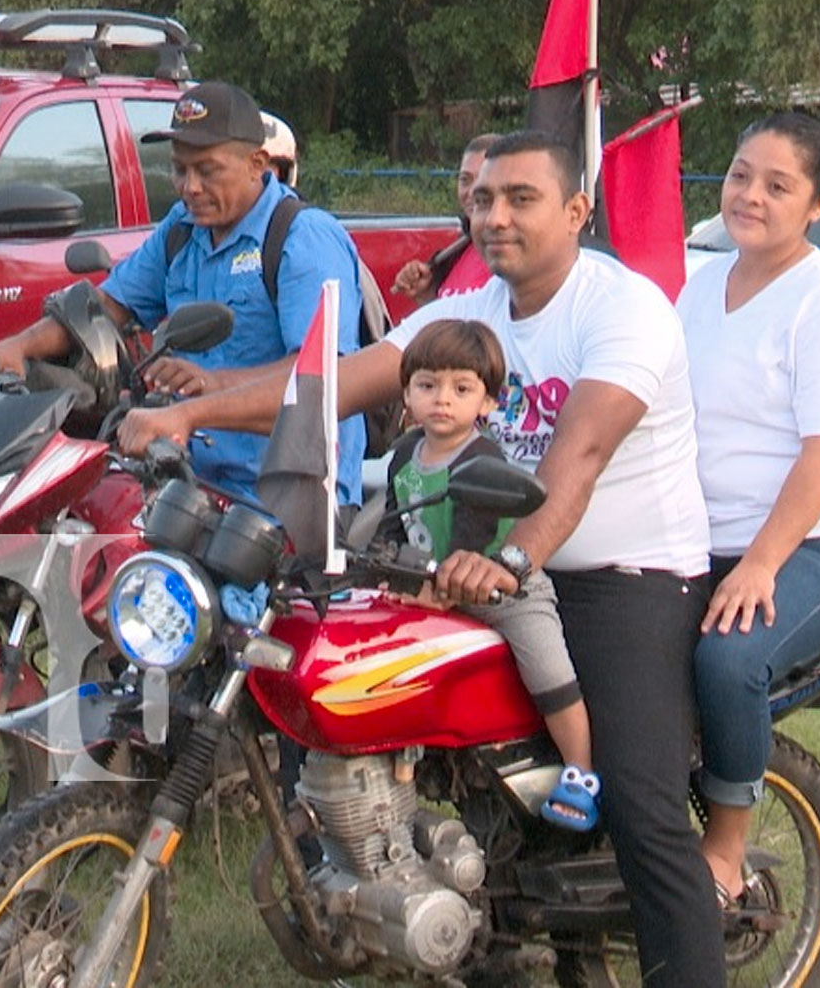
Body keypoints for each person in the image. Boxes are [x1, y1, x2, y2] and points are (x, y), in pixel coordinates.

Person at [119, 129, 727, 984]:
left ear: (577, 212)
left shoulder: (622, 309)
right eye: (483, 200)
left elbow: (578, 459)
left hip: (620, 578)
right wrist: (192, 415)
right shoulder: (468, 313)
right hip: (473, 567)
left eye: (522, 199)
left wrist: (511, 559)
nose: (495, 216)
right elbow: (332, 381)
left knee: (642, 804)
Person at [0, 81, 366, 506]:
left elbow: (322, 379)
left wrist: (211, 385)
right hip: (187, 480)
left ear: (256, 163)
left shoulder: (304, 239)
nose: (189, 187)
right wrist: (15, 348)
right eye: (179, 169)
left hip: (286, 499)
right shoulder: (182, 228)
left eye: (207, 170)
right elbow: (106, 306)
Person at [676, 112, 820, 910]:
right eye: (738, 175)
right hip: (702, 537)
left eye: (777, 184)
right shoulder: (699, 288)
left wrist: (763, 562)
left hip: (819, 545)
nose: (750, 195)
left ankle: (727, 849)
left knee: (728, 660)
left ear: (818, 205)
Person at [382, 319, 598, 830]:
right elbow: (391, 522)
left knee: (548, 672)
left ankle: (580, 771)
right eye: (427, 385)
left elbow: (472, 541)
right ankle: (402, 775)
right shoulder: (402, 458)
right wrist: (387, 570)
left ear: (486, 403)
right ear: (407, 394)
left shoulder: (481, 459)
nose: (442, 400)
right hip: (435, 588)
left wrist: (435, 593)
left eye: (461, 388)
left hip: (503, 589)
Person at [391, 133, 500, 304]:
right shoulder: (454, 255)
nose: (471, 192)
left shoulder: (515, 261)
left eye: (482, 179)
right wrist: (427, 294)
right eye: (465, 180)